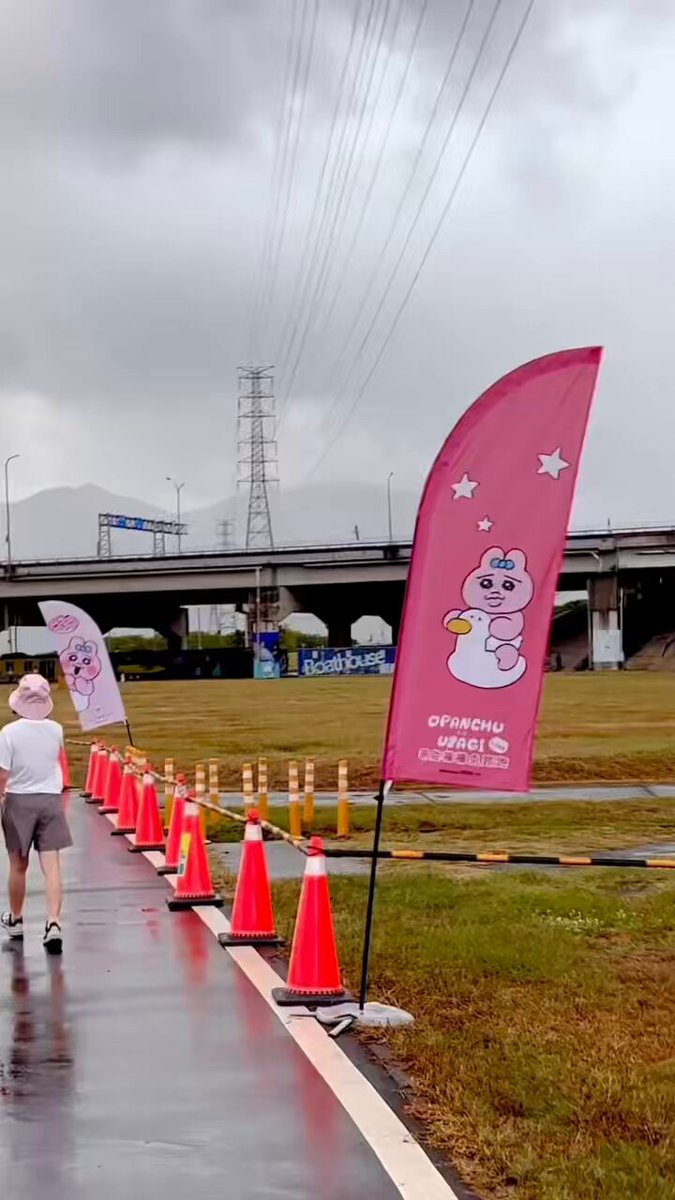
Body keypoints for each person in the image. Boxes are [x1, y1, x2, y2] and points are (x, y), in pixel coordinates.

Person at [0, 674, 72, 953]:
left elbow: (3, 774)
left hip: (18, 801)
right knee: (51, 866)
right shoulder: (56, 730)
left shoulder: (8, 733)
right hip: (50, 800)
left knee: (18, 865)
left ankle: (16, 919)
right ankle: (53, 922)